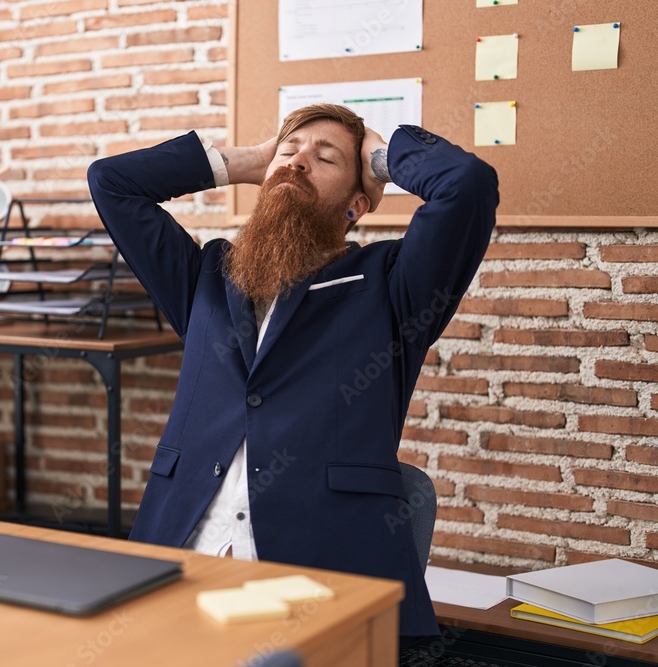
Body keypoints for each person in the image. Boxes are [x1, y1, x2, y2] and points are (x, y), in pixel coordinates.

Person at [87, 104, 498, 639]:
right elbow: (111, 182)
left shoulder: (394, 287)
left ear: (357, 205)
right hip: (176, 565)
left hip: (319, 582)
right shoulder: (206, 276)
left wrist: (381, 156)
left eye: (325, 158)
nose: (298, 162)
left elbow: (467, 186)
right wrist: (248, 161)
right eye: (289, 150)